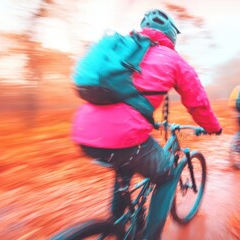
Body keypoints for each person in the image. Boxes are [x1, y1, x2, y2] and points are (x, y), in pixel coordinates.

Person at [71, 9, 222, 240]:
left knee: (126, 163)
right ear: (171, 35)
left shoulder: (123, 49)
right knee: (168, 174)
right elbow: (198, 103)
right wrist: (213, 127)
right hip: (123, 136)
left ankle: (117, 225)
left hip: (83, 133)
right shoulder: (172, 59)